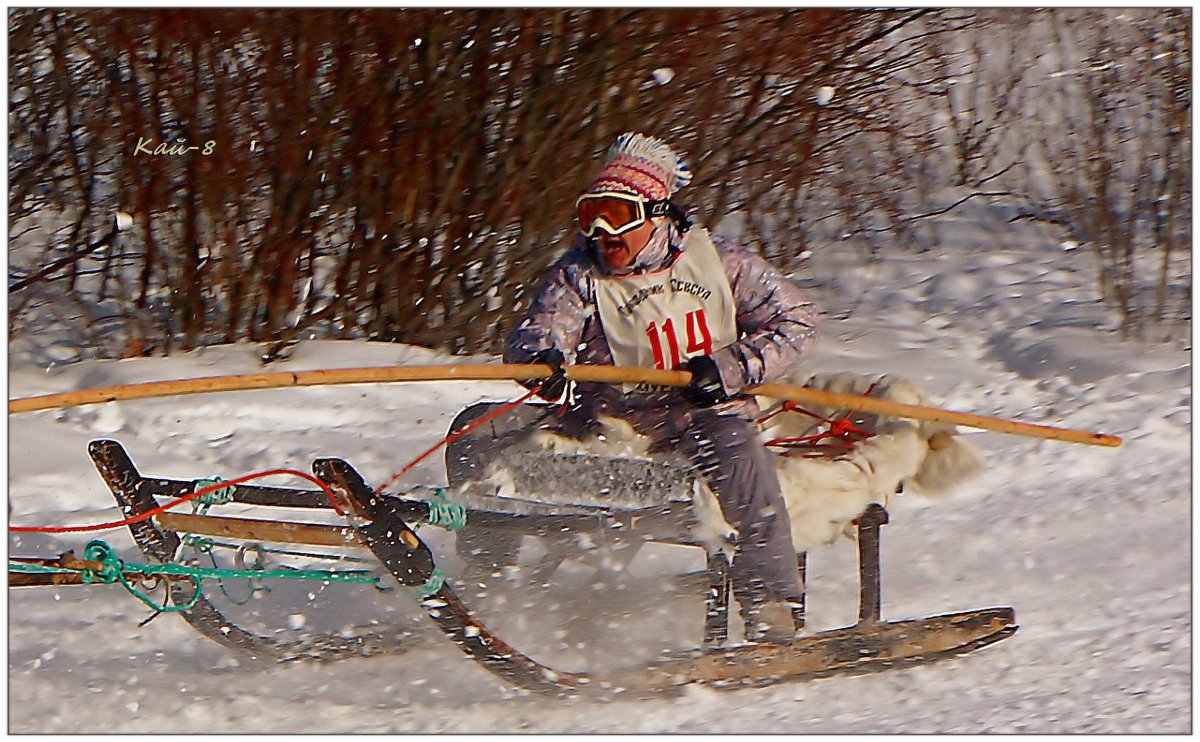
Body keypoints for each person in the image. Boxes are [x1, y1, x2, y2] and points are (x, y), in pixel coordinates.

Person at [504, 132, 819, 642]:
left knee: (743, 466)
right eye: (591, 216)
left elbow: (797, 323)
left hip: (701, 414)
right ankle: (484, 585)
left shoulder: (723, 264)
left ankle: (773, 609)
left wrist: (731, 368)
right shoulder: (579, 275)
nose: (603, 232)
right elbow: (542, 328)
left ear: (655, 215)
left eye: (619, 215)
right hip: (605, 416)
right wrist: (540, 359)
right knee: (482, 433)